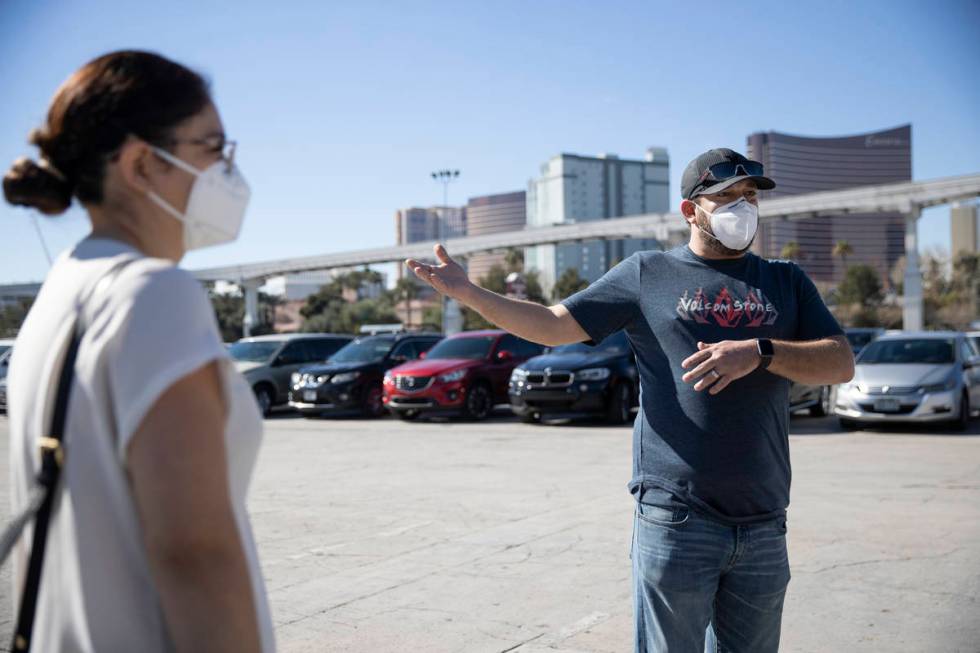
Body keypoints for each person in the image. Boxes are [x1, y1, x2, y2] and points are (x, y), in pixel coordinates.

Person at [406, 148, 854, 652]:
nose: (742, 207)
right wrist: (471, 294)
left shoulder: (785, 280)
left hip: (764, 521)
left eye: (750, 196)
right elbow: (553, 326)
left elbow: (840, 361)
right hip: (677, 518)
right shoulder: (648, 273)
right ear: (691, 210)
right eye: (726, 196)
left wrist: (760, 351)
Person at [3, 51, 273, 652]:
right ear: (142, 164)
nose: (228, 171)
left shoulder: (61, 292)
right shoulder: (153, 294)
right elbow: (195, 553)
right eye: (213, 148)